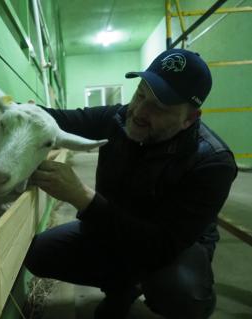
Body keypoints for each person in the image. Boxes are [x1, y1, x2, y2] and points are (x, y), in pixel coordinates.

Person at [25, 48, 237, 319]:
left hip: (170, 248)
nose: (138, 111)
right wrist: (16, 117)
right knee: (38, 253)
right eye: (140, 94)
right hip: (112, 224)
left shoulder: (212, 162)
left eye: (159, 107)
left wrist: (82, 197)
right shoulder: (116, 118)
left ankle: (144, 287)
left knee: (181, 292)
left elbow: (161, 245)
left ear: (189, 119)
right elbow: (59, 118)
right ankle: (122, 288)